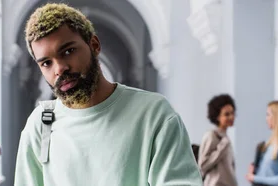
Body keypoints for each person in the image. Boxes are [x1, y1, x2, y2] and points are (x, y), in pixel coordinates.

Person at [14, 3, 202, 186]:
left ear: (94, 45)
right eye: (46, 63)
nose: (60, 68)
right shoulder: (40, 124)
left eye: (68, 51)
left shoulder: (154, 114)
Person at [246, 101, 278, 186]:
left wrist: (255, 178)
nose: (266, 119)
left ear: (277, 117)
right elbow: (266, 176)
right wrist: (254, 174)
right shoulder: (269, 144)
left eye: (268, 115)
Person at [198, 94, 238, 186]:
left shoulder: (225, 137)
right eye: (227, 114)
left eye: (232, 113)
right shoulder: (211, 136)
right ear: (217, 116)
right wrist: (221, 148)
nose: (231, 117)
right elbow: (202, 165)